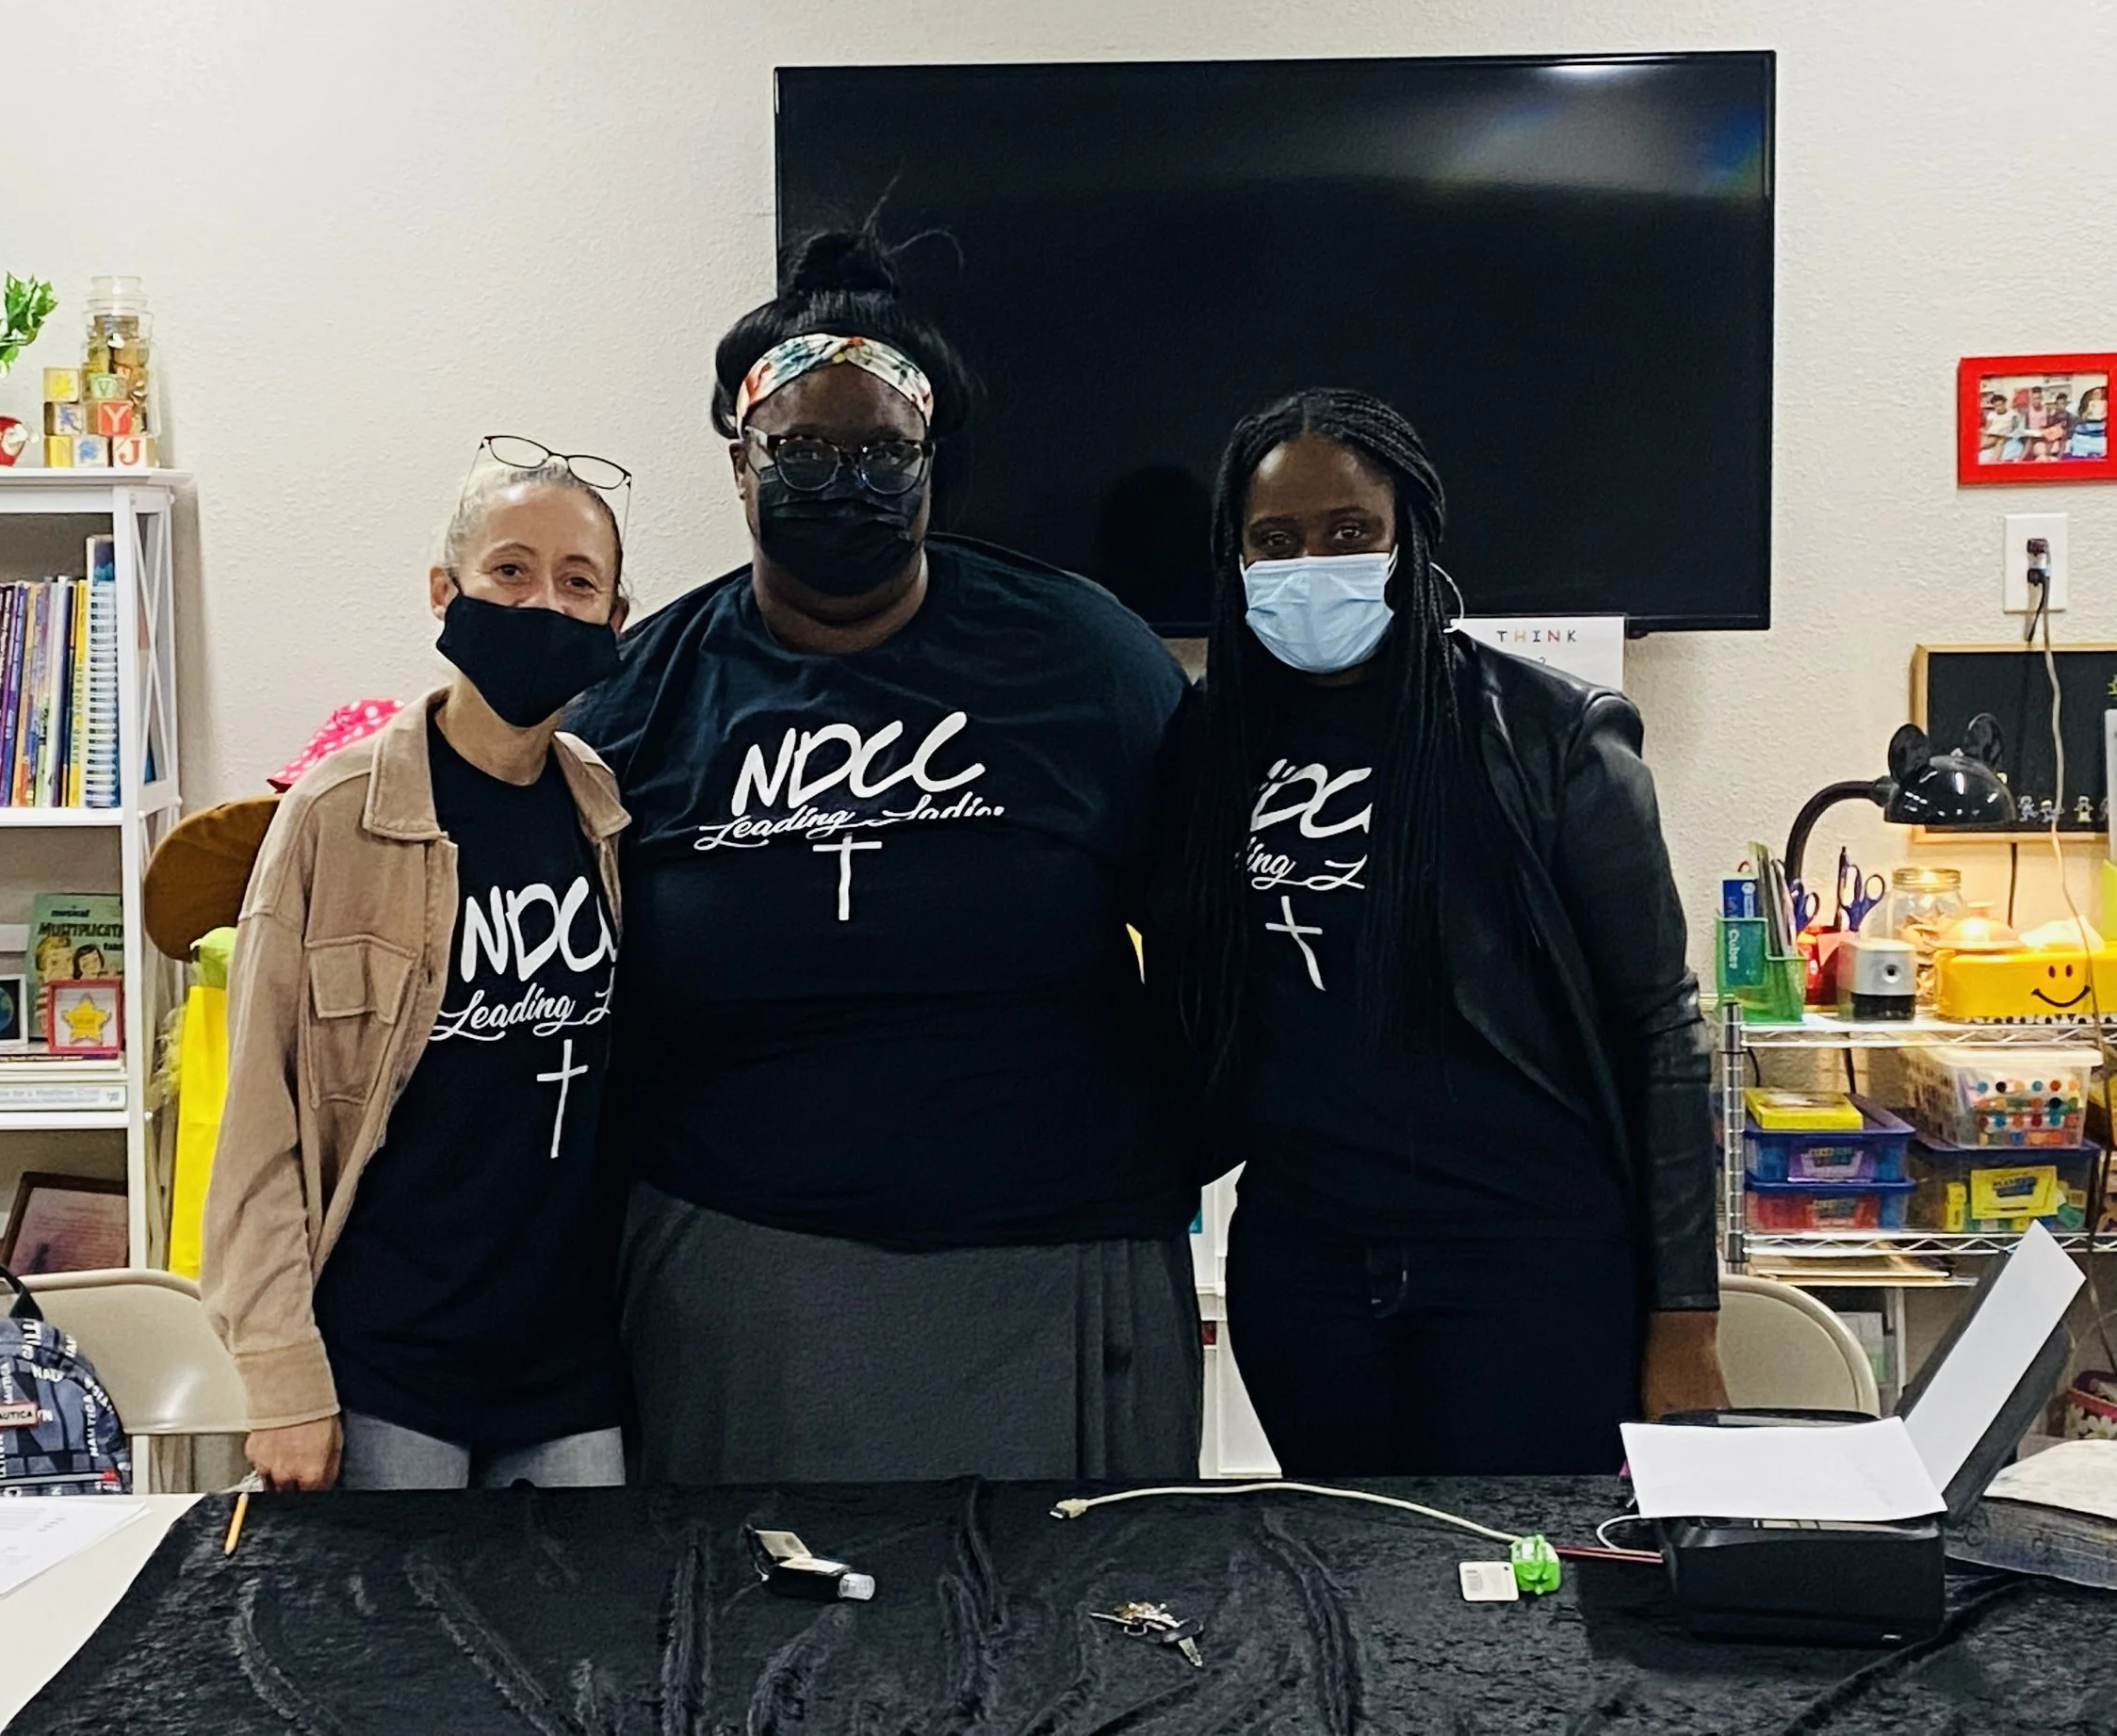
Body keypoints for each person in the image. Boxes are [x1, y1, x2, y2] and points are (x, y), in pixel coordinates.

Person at [562, 232, 1199, 1484]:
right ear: (740, 461)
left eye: (878, 452)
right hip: (739, 1282)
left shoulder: (1086, 659)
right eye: (801, 449)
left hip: (1054, 1265)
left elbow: (1208, 946)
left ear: (931, 463)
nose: (839, 479)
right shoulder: (640, 699)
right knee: (757, 1654)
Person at [1152, 388, 1722, 1477]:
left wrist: (1684, 1321)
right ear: (1233, 559)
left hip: (1526, 1266)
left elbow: (1659, 1025)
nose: (1309, 562)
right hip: (1304, 1271)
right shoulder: (1210, 742)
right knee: (1352, 1566)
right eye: (1273, 541)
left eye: (1348, 532)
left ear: (1408, 538)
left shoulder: (1552, 737)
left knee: (1522, 1604)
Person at [201, 446, 633, 1491]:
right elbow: (258, 1113)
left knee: (579, 1649)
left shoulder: (603, 810)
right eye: (510, 572)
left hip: (566, 1369)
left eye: (579, 583)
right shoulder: (337, 815)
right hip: (386, 1371)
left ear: (617, 621)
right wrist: (282, 1383)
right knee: (386, 1656)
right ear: (446, 592)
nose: (544, 604)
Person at [2073, 385, 2109, 461]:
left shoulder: (2106, 404)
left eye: (2100, 394)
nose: (2099, 396)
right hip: (2085, 437)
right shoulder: (2085, 406)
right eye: (2095, 394)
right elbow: (2079, 421)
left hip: (2100, 436)